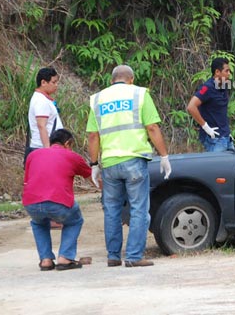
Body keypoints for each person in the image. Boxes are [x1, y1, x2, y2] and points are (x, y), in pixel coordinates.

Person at [87, 64, 171, 268]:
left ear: (112, 80)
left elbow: (92, 135)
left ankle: (113, 256)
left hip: (110, 164)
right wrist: (164, 156)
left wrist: (94, 164)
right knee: (139, 209)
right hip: (134, 160)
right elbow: (152, 127)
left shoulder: (98, 98)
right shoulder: (139, 94)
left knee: (112, 210)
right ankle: (134, 256)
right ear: (131, 79)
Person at [23, 129, 94, 271]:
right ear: (67, 143)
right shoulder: (72, 156)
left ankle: (46, 260)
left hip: (31, 203)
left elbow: (26, 181)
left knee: (38, 223)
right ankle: (65, 258)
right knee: (75, 220)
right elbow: (92, 178)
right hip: (58, 202)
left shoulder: (33, 155)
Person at [186, 57, 234, 152]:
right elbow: (191, 107)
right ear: (217, 72)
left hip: (226, 138)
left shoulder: (222, 86)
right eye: (226, 71)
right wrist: (205, 127)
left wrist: (227, 133)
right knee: (216, 167)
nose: (229, 74)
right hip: (215, 140)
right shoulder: (207, 88)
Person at [25, 67, 63, 167]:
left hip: (44, 148)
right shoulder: (40, 101)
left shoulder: (43, 99)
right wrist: (47, 151)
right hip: (42, 148)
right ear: (43, 82)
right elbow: (42, 126)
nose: (56, 85)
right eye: (53, 82)